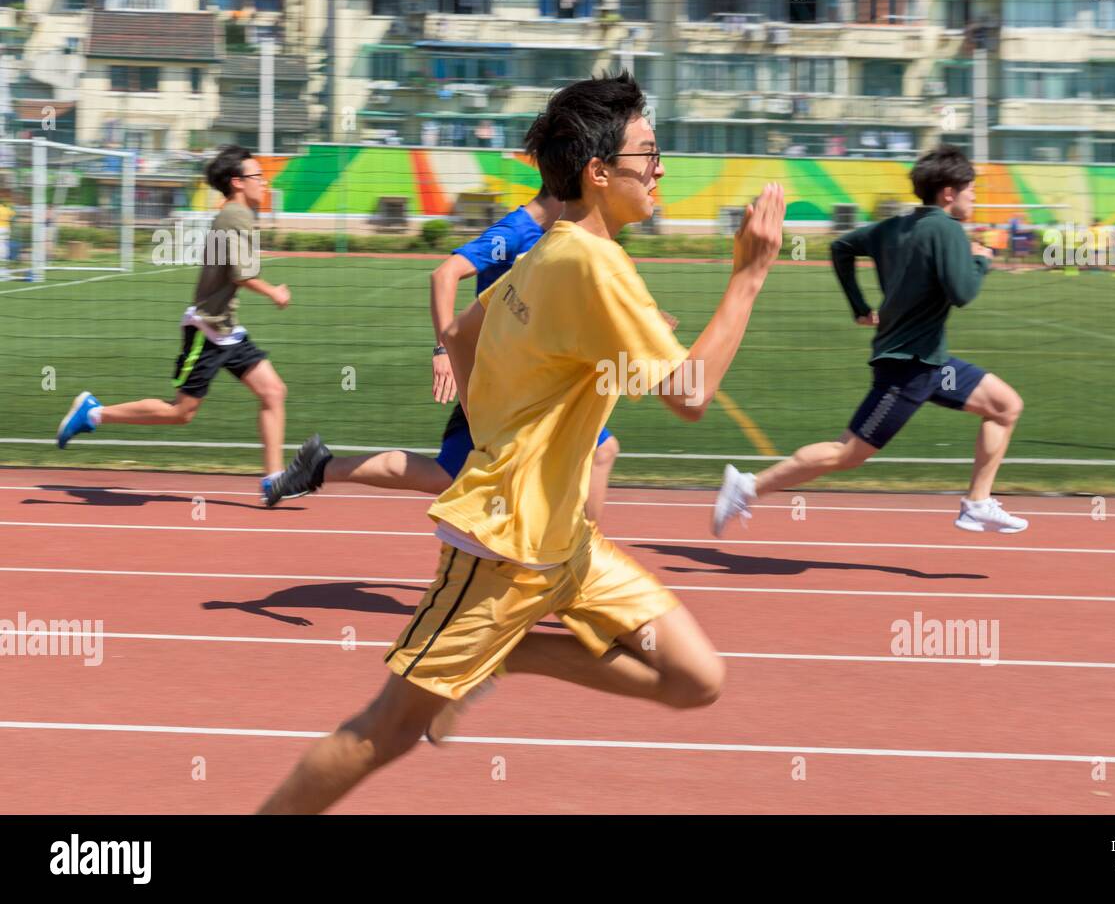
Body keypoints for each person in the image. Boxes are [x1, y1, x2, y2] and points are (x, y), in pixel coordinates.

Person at [257, 71, 786, 814]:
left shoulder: (551, 250)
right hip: (501, 554)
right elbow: (690, 394)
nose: (660, 169)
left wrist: (489, 433)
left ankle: (514, 652)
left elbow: (463, 331)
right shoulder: (592, 261)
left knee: (696, 677)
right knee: (386, 729)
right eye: (649, 154)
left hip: (567, 544)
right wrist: (750, 274)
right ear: (599, 174)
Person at [712, 144, 1028, 537]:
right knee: (847, 453)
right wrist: (981, 258)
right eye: (971, 189)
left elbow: (841, 247)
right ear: (948, 192)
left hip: (931, 363)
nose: (975, 196)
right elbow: (963, 292)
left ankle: (977, 504)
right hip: (909, 369)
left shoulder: (894, 226)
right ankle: (748, 487)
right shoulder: (946, 229)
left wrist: (859, 306)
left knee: (1004, 405)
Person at [263, 184, 624, 523]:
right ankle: (576, 555)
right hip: (502, 381)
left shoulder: (559, 235)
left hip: (530, 378)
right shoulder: (515, 231)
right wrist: (444, 351)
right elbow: (444, 275)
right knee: (598, 452)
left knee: (446, 474)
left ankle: (321, 467)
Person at [56, 145, 293, 502]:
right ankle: (94, 413)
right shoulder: (235, 217)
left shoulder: (236, 214)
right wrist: (274, 292)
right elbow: (242, 274)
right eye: (257, 176)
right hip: (208, 331)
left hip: (227, 329)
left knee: (273, 391)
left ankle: (273, 479)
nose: (264, 181)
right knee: (180, 413)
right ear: (237, 182)